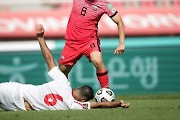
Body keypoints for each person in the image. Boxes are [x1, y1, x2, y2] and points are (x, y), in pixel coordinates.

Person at [0, 25, 129, 111]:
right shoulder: (73, 105)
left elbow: (49, 60)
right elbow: (99, 104)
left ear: (77, 88)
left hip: (15, 91)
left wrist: (40, 38)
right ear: (84, 100)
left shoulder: (63, 81)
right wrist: (118, 104)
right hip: (18, 101)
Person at [46, 0, 126, 88]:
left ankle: (106, 91)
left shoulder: (105, 4)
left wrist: (121, 43)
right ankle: (62, 95)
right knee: (62, 72)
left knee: (98, 61)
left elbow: (119, 22)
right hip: (72, 42)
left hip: (89, 41)